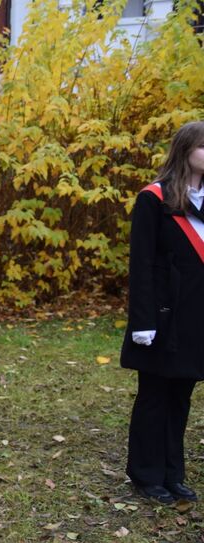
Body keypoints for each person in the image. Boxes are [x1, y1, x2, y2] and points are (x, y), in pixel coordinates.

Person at [120, 120, 204, 504]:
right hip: (161, 318)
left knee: (182, 395)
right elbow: (141, 267)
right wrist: (143, 322)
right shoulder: (153, 198)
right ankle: (146, 474)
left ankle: (173, 472)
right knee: (154, 395)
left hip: (195, 319)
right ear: (186, 149)